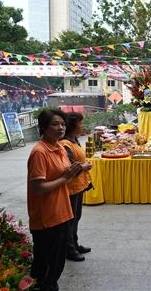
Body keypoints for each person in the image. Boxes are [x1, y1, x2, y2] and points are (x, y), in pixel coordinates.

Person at [28, 110, 82, 291]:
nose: (60, 128)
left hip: (63, 212)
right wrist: (64, 179)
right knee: (45, 266)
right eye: (55, 124)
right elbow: (38, 188)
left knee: (57, 263)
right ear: (43, 127)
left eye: (63, 124)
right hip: (46, 218)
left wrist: (76, 171)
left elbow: (66, 174)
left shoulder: (59, 147)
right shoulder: (40, 152)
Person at [59, 112, 93, 262]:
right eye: (80, 123)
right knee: (70, 218)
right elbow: (70, 166)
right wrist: (84, 167)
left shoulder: (74, 140)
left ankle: (75, 243)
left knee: (76, 217)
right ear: (73, 126)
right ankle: (69, 249)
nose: (82, 126)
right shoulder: (64, 144)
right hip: (71, 186)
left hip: (79, 185)